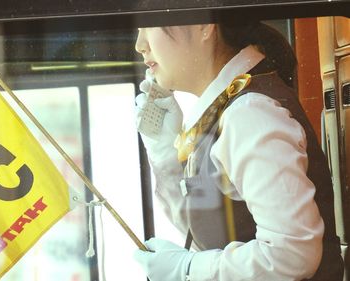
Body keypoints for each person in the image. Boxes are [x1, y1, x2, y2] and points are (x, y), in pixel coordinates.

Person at [132, 22, 344, 281]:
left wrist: (188, 268)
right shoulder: (222, 111)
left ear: (202, 26)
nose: (139, 45)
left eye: (149, 26)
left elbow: (292, 254)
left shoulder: (248, 112)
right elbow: (203, 231)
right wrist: (165, 150)